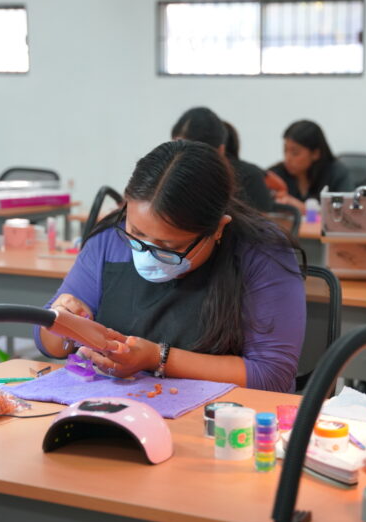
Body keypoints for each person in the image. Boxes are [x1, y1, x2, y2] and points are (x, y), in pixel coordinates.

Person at [35, 140, 306, 392]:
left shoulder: (261, 254)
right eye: (137, 234)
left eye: (170, 247)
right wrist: (63, 325)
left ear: (218, 229)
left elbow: (272, 376)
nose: (148, 254)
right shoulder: (109, 239)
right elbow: (45, 341)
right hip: (117, 410)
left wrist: (157, 358)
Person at [170, 107, 273, 212]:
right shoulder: (166, 177)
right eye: (174, 148)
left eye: (191, 154)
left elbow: (264, 225)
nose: (180, 160)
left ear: (220, 151)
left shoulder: (249, 177)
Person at [269, 120, 353, 213]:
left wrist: (304, 209)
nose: (287, 158)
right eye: (285, 150)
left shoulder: (336, 173)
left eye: (295, 153)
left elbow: (346, 213)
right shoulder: (276, 174)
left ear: (315, 154)